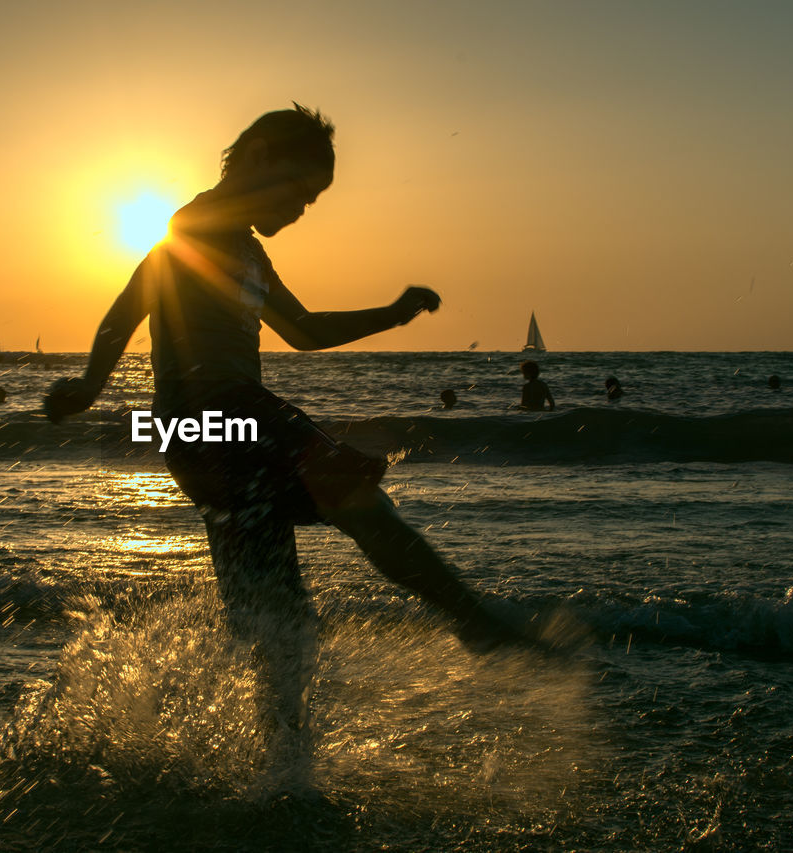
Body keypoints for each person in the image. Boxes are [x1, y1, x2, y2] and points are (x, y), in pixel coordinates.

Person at [44, 105, 550, 769]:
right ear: (256, 159)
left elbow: (305, 330)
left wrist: (391, 314)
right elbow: (129, 303)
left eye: (314, 200)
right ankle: (472, 622)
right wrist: (89, 384)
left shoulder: (247, 251)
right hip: (225, 418)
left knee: (278, 616)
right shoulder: (197, 225)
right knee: (354, 497)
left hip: (209, 439)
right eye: (300, 191)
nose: (305, 209)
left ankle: (283, 769)